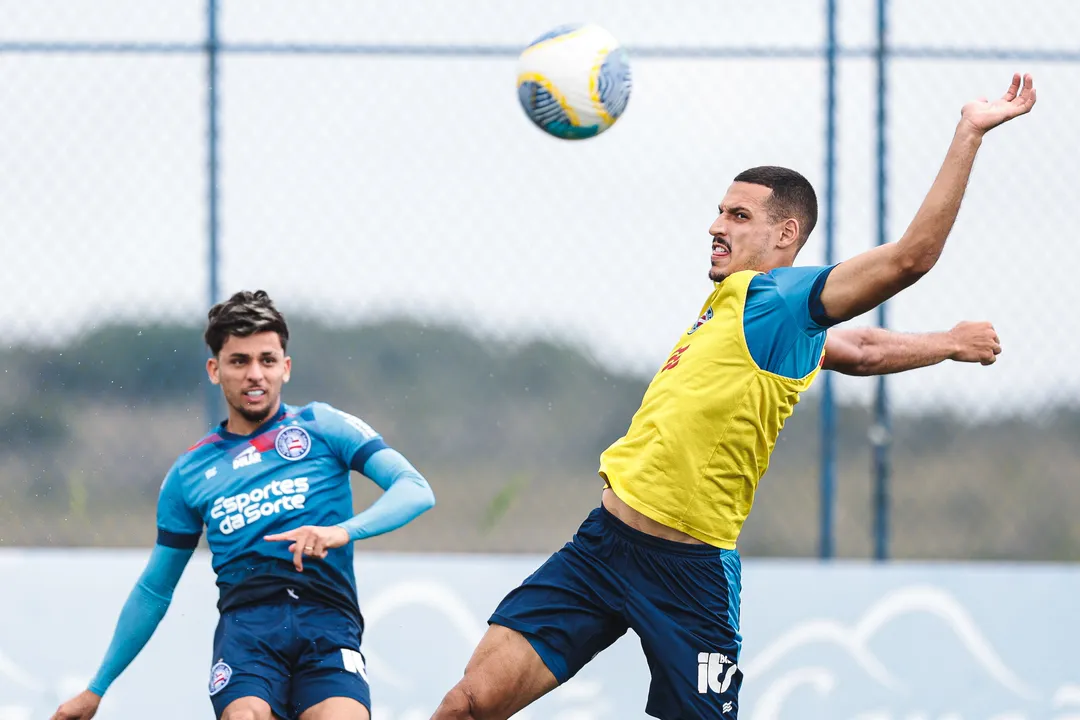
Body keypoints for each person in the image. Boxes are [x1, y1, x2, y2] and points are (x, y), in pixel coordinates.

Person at [431, 73, 1035, 719]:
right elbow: (857, 352)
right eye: (720, 210)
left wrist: (968, 132)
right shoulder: (740, 309)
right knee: (471, 702)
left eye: (738, 216)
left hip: (687, 574)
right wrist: (943, 341)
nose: (716, 225)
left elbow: (911, 257)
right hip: (601, 548)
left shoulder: (781, 302)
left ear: (786, 234)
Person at [51, 290, 436, 720]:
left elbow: (415, 488)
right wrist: (95, 689)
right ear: (215, 370)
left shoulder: (322, 426)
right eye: (239, 361)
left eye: (267, 360)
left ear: (285, 368)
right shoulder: (190, 473)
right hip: (247, 633)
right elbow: (154, 589)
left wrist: (341, 531)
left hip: (328, 623)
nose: (256, 374)